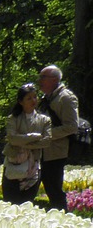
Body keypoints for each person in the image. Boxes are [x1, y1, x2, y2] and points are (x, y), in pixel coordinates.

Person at [38, 65, 80, 210]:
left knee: (54, 188)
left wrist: (46, 135)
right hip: (41, 150)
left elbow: (72, 127)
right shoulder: (46, 97)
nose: (39, 80)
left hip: (56, 151)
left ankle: (62, 217)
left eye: (43, 77)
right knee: (46, 186)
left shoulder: (66, 98)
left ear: (55, 79)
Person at [2, 82, 51, 205]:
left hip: (33, 167)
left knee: (27, 205)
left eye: (35, 96)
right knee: (10, 204)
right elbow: (12, 138)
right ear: (20, 102)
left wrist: (23, 143)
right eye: (29, 98)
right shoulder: (13, 119)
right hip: (13, 165)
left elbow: (46, 141)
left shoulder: (44, 120)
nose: (33, 100)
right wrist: (32, 137)